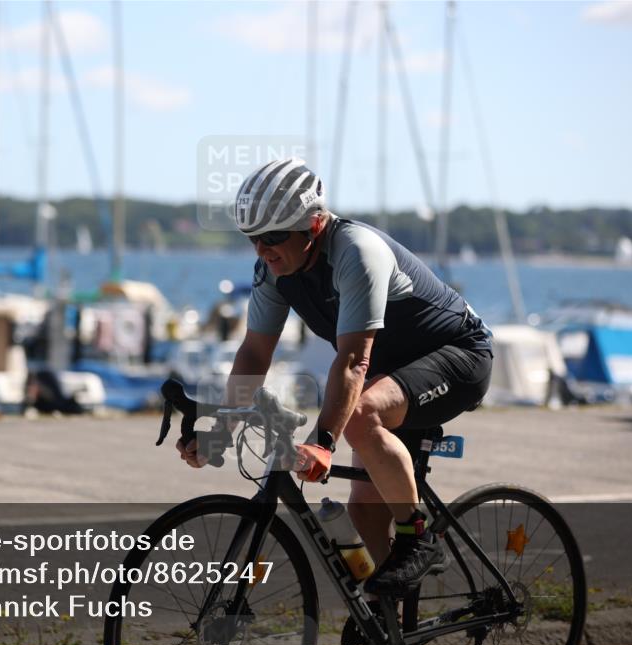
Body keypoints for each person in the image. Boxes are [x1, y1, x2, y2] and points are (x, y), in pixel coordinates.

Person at [177, 158, 493, 596]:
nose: (262, 250)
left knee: (360, 417)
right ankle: (390, 624)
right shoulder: (274, 271)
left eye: (273, 236)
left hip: (458, 356)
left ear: (312, 224)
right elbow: (254, 352)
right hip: (391, 373)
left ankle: (419, 536)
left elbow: (353, 361)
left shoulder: (356, 252)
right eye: (252, 238)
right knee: (364, 512)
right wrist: (222, 429)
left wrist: (323, 442)